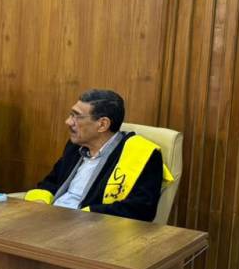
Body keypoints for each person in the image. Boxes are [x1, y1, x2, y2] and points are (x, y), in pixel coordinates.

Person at [25, 89, 172, 222]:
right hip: (51, 220)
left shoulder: (142, 155)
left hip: (93, 230)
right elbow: (51, 182)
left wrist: (86, 215)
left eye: (77, 117)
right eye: (71, 115)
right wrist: (40, 202)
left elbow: (141, 210)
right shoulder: (75, 146)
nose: (68, 122)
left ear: (102, 124)